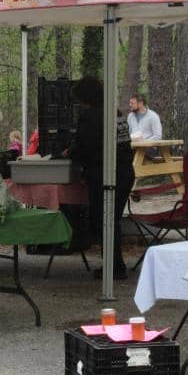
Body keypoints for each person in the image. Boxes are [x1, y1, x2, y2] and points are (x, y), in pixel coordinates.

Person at [66, 77, 134, 280]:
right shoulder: (115, 112)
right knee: (112, 220)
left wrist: (69, 152)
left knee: (103, 220)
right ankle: (116, 265)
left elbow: (84, 146)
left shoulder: (92, 116)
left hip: (104, 175)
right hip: (124, 172)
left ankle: (113, 268)